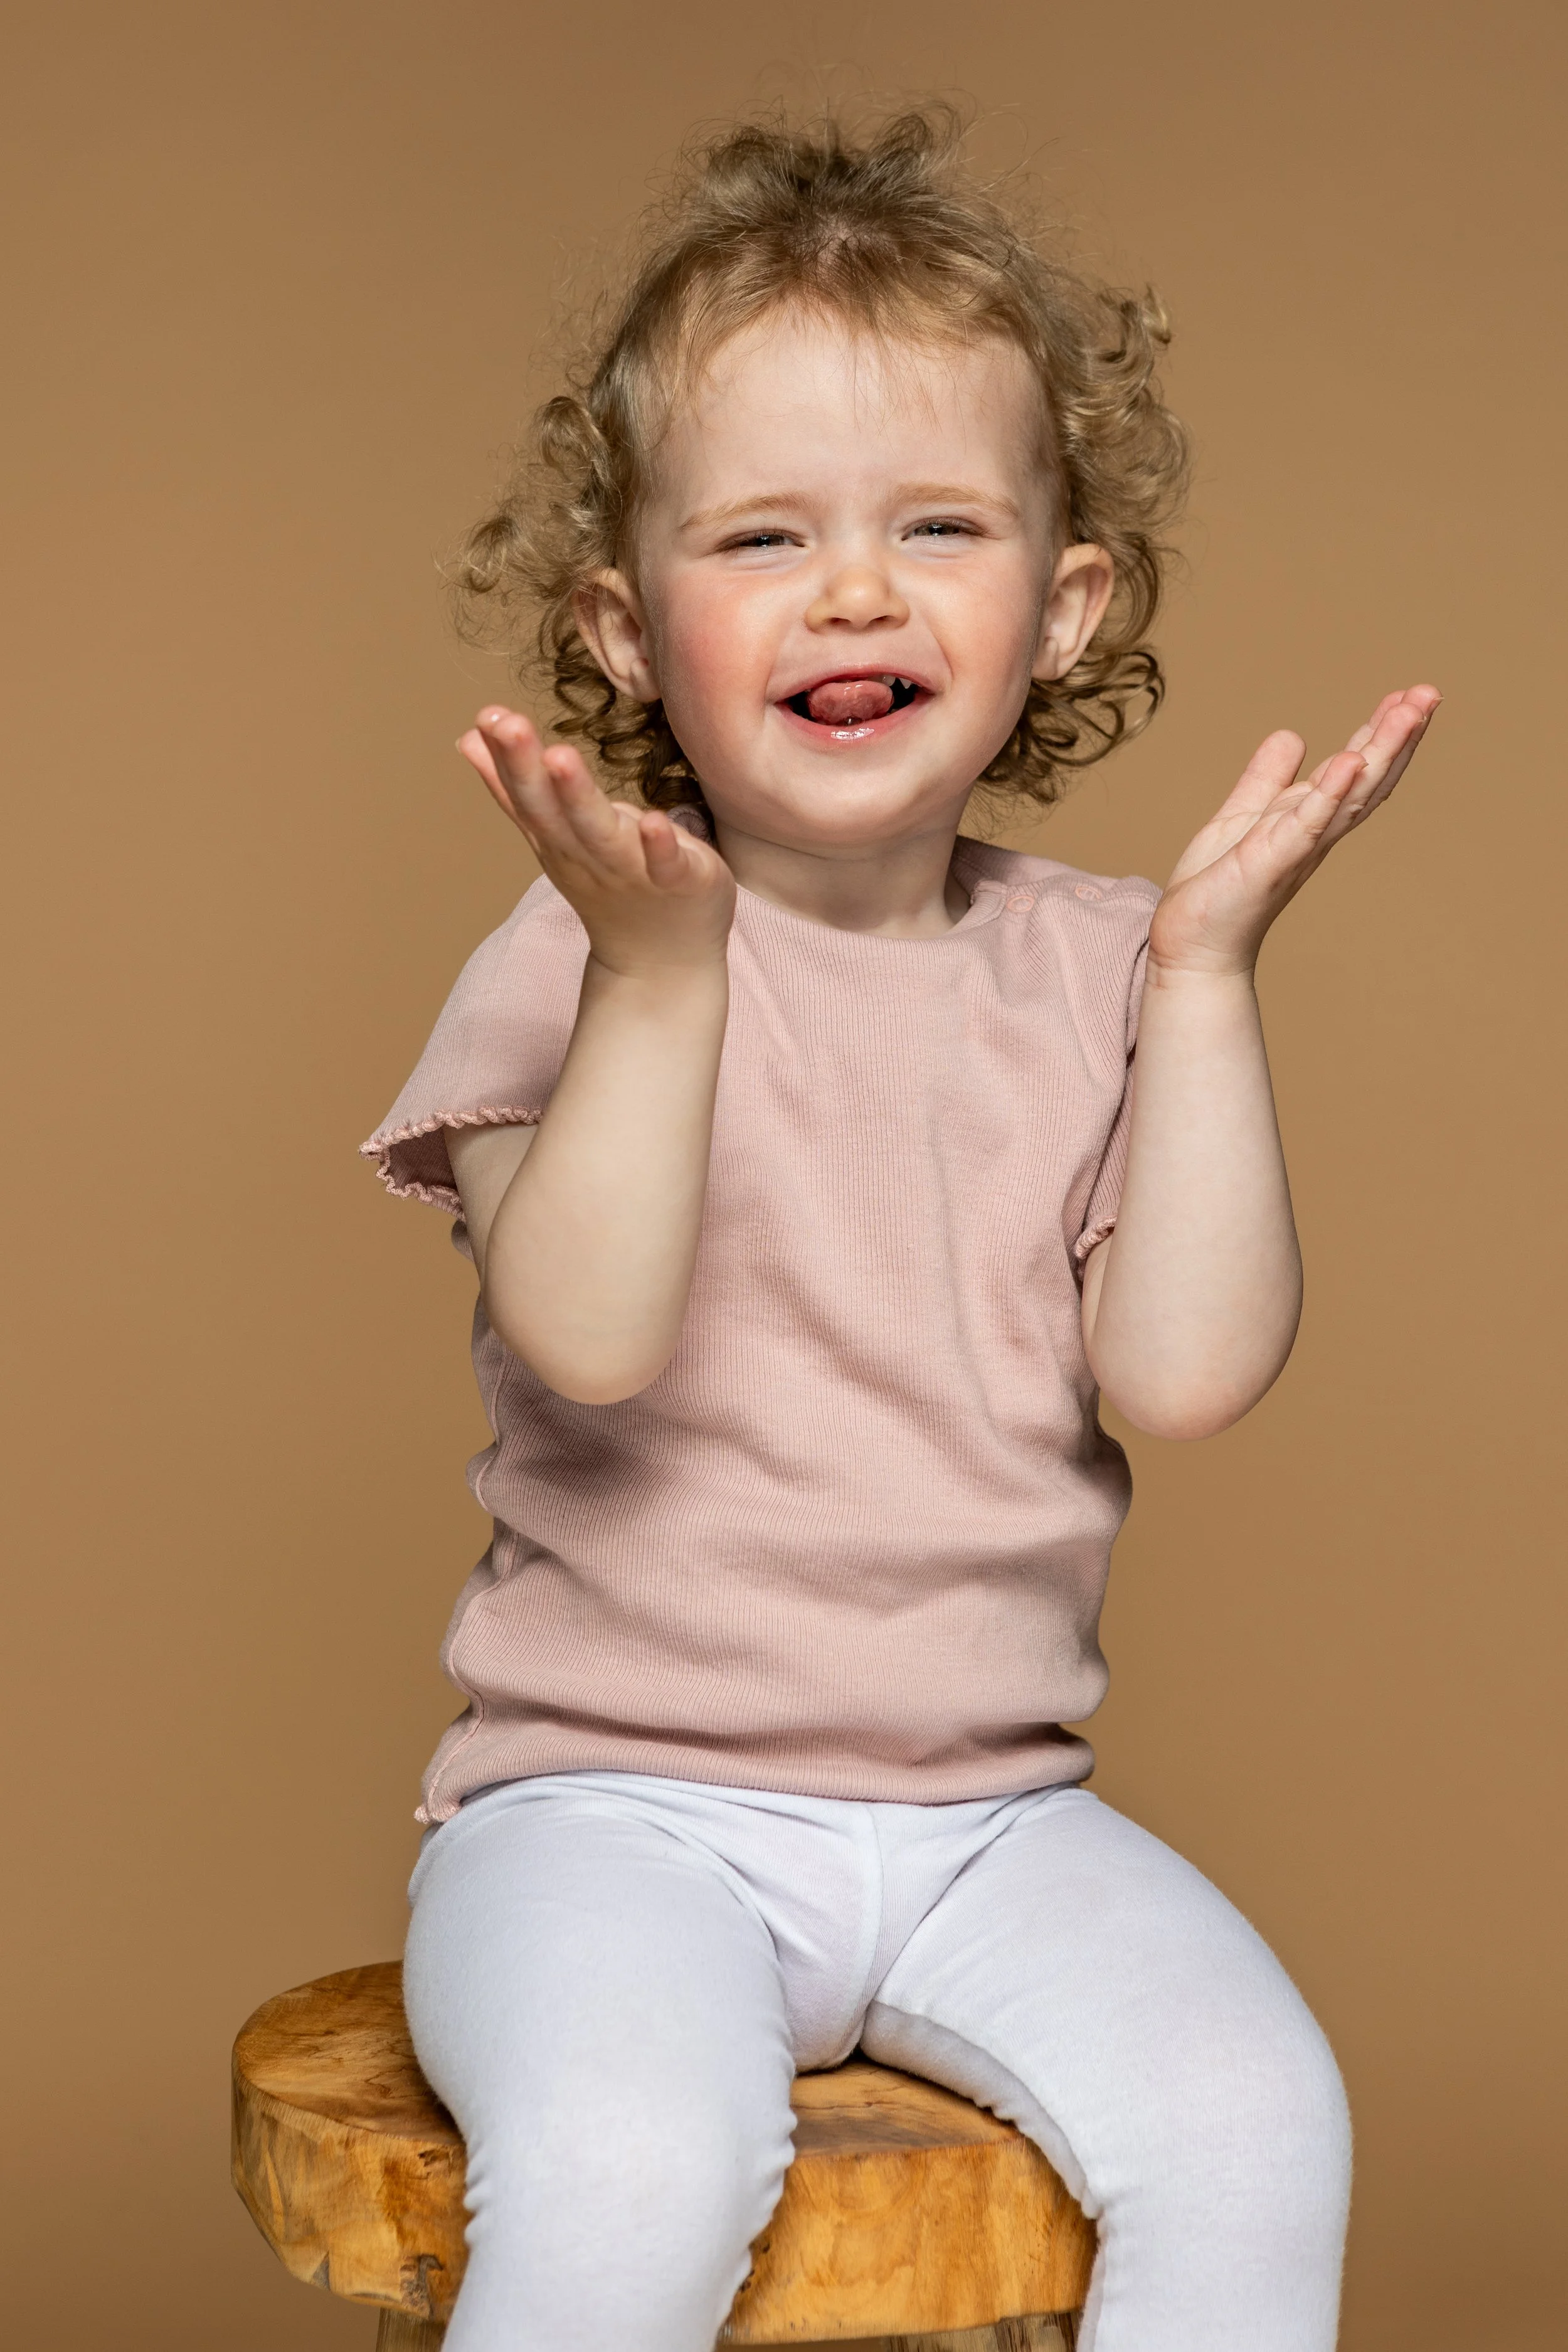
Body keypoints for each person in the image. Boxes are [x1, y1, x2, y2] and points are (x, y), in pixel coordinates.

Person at [362, 107, 1438, 2352]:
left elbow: (1186, 1374)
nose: (854, 589)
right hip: (609, 1817)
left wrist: (1210, 982)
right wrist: (665, 987)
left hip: (988, 1819)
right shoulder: (578, 950)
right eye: (762, 535)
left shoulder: (1096, 966)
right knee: (637, 2160)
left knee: (1257, 2120)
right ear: (626, 626)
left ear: (1058, 611)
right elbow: (578, 1328)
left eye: (932, 526)